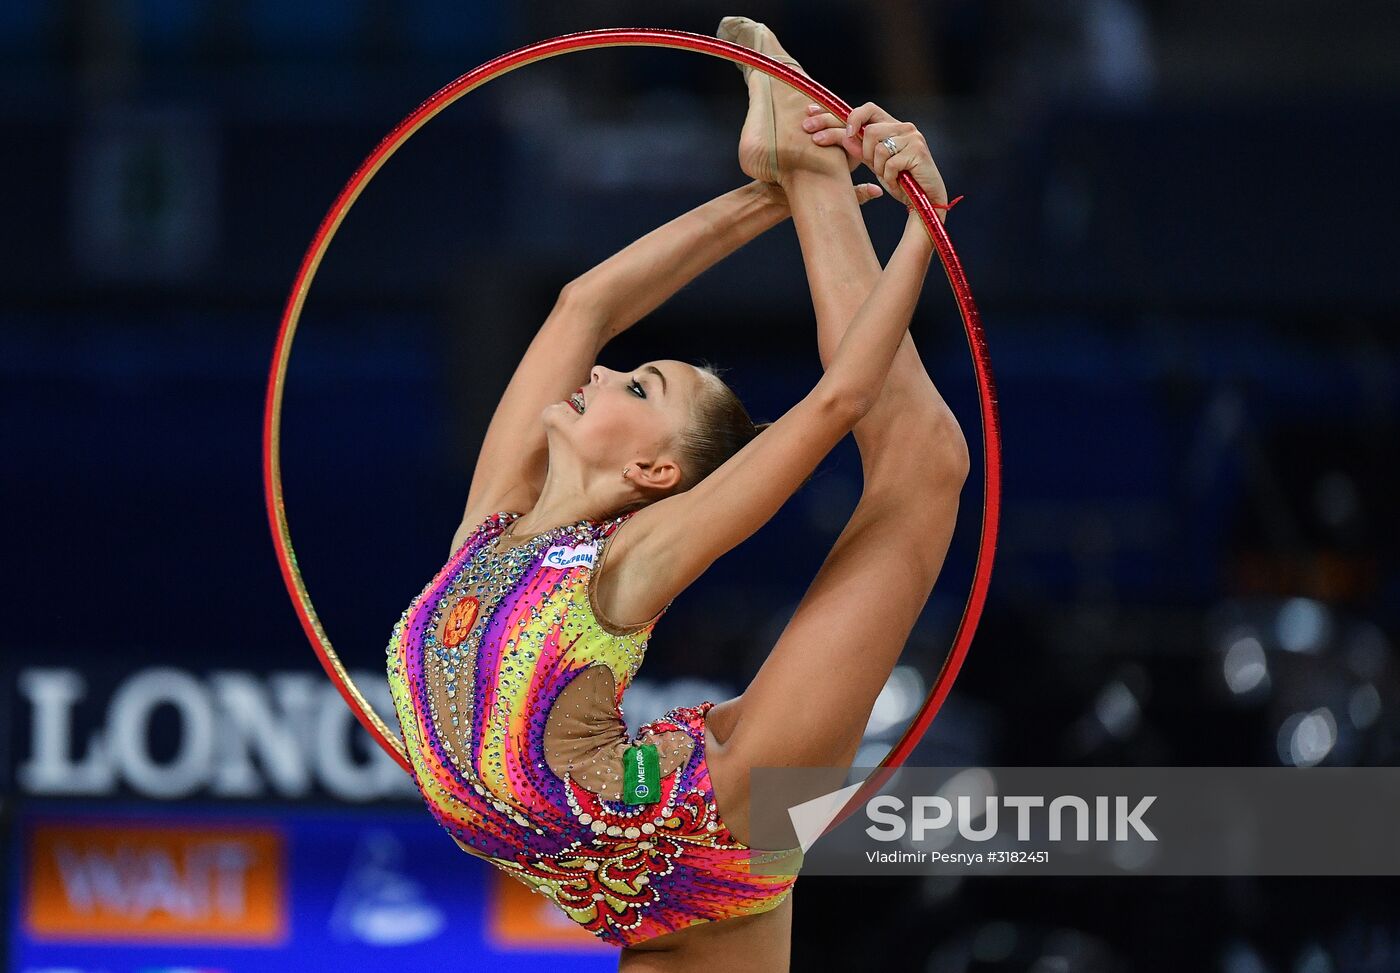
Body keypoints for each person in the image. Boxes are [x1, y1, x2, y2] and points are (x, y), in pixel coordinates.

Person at [384, 16, 968, 972]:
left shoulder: (623, 564)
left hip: (714, 815)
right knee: (926, 461)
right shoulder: (487, 529)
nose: (605, 373)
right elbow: (586, 303)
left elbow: (843, 399)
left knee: (926, 463)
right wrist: (761, 195)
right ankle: (802, 164)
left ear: (656, 474)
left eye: (639, 386)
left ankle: (817, 172)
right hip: (627, 871)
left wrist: (919, 229)